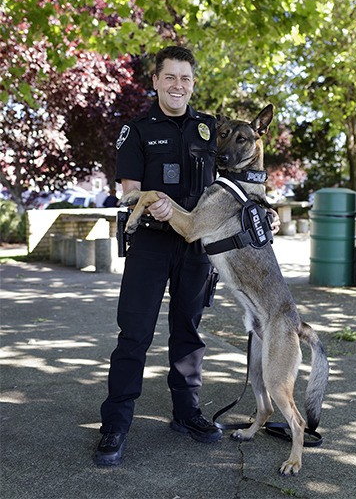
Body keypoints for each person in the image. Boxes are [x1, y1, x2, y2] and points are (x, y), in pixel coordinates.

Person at [94, 46, 279, 467]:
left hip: (198, 246)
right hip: (151, 243)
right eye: (171, 77)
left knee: (188, 332)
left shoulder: (211, 129)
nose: (179, 85)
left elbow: (238, 182)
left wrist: (262, 211)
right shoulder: (137, 130)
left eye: (186, 79)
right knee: (134, 334)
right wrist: (150, 202)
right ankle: (116, 424)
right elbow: (128, 191)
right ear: (156, 81)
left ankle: (186, 413)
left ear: (193, 84)